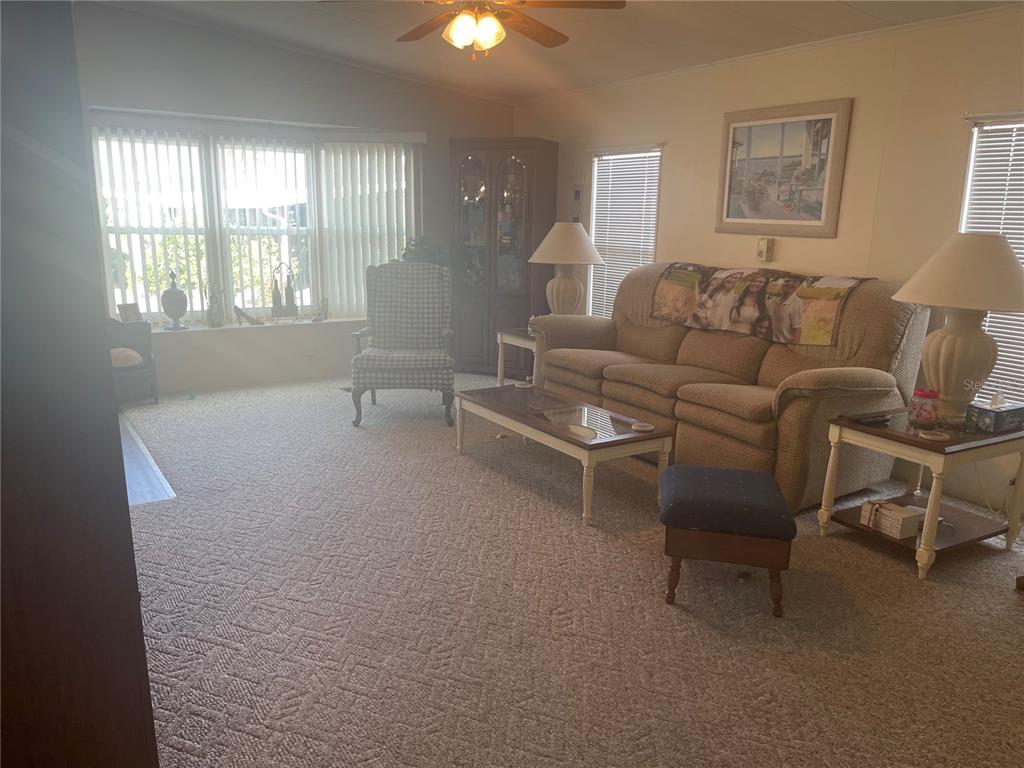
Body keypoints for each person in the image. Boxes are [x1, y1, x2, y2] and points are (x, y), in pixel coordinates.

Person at [767, 276, 804, 344]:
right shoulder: (771, 302)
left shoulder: (797, 302)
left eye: (794, 282)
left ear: (799, 285)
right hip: (770, 342)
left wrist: (791, 349)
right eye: (787, 281)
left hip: (785, 345)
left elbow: (797, 329)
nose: (790, 283)